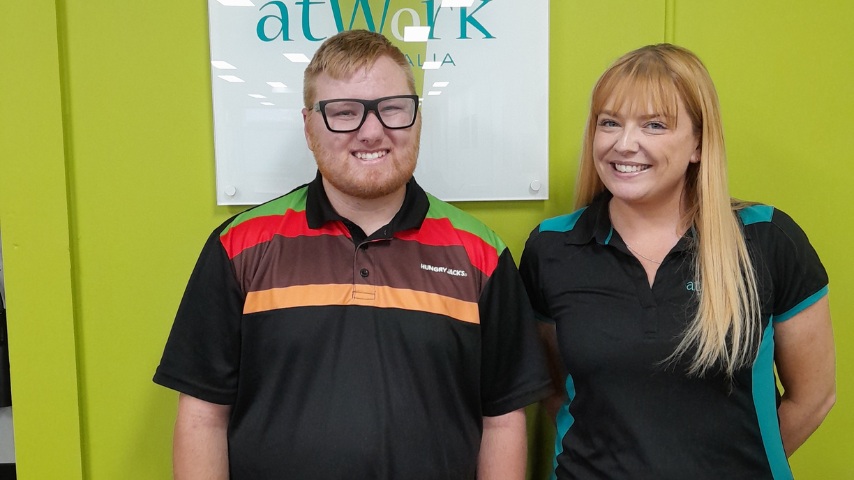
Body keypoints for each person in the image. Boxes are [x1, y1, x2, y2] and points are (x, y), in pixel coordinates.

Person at [154, 29, 551, 480]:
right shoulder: (240, 244)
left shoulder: (481, 253)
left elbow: (501, 419)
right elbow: (203, 416)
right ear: (308, 126)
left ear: (418, 119)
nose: (371, 131)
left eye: (392, 109)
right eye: (344, 113)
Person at [519, 44, 835, 479]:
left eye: (653, 125)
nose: (624, 144)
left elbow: (814, 396)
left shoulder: (768, 239)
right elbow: (554, 388)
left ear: (699, 145)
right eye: (609, 122)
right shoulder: (551, 247)